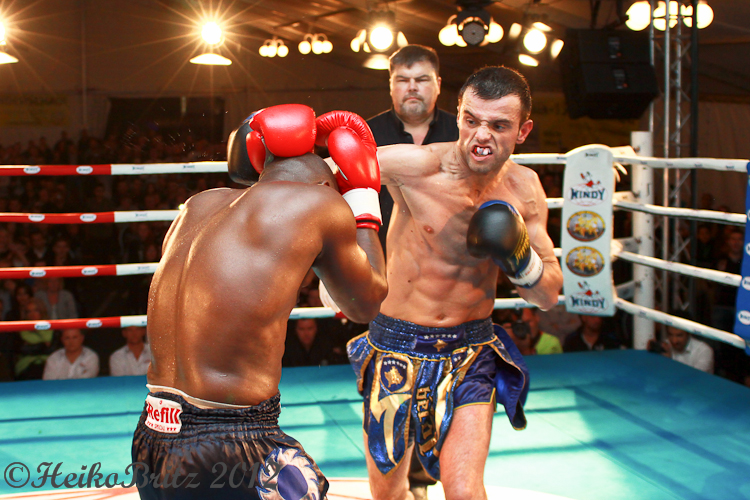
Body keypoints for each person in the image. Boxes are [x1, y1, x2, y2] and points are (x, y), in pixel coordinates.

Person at [324, 66, 563, 500]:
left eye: (499, 125)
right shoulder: (416, 167)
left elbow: (546, 294)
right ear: (459, 115)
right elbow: (320, 177)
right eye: (471, 120)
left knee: (465, 491)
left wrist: (520, 258)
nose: (481, 136)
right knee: (388, 493)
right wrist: (335, 264)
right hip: (397, 344)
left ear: (523, 131)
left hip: (472, 350)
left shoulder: (524, 188)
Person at [131, 104, 387, 499]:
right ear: (326, 185)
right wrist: (363, 200)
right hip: (231, 441)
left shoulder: (196, 206)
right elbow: (365, 304)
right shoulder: (321, 204)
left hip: (152, 434)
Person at [367, 45, 459, 256]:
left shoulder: (462, 134)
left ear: (438, 84)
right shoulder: (366, 134)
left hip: (450, 257)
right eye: (402, 80)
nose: (412, 87)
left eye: (422, 79)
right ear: (391, 85)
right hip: (383, 257)